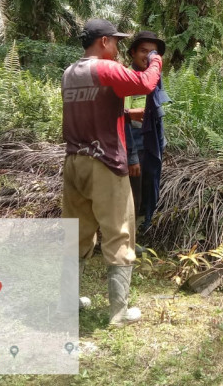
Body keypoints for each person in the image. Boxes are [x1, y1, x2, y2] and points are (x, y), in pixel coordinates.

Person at [61, 18, 162, 326]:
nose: (118, 49)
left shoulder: (69, 73)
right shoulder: (106, 69)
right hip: (105, 164)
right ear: (103, 42)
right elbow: (145, 83)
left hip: (74, 163)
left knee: (76, 235)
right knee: (119, 233)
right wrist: (155, 60)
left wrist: (126, 113)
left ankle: (68, 302)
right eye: (116, 42)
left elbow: (93, 105)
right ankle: (119, 313)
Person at [124, 30, 170, 234]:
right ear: (133, 52)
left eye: (153, 52)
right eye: (144, 51)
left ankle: (143, 229)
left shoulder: (154, 78)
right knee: (132, 194)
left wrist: (162, 143)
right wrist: (131, 156)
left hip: (151, 146)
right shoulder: (126, 78)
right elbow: (120, 118)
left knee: (148, 190)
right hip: (134, 145)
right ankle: (126, 239)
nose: (148, 56)